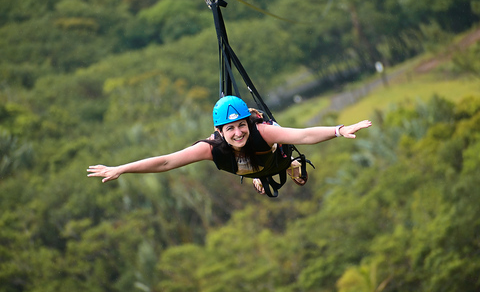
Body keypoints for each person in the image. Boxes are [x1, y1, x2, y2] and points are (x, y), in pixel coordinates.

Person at [87, 96, 372, 194]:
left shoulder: (262, 132)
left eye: (241, 125)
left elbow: (304, 135)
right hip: (249, 168)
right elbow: (166, 162)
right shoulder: (211, 148)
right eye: (231, 128)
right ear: (218, 131)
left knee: (283, 164)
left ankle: (287, 168)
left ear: (248, 122)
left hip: (275, 159)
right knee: (252, 171)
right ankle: (256, 178)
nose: (238, 132)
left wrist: (339, 129)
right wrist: (122, 168)